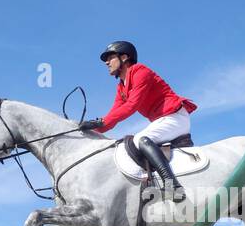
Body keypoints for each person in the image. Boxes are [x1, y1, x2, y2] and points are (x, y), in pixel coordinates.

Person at [79, 41, 197, 202]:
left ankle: (173, 186)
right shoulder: (121, 87)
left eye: (110, 58)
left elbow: (131, 106)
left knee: (140, 139)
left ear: (125, 57)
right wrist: (91, 130)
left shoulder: (140, 71)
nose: (106, 62)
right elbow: (114, 115)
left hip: (175, 116)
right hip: (163, 120)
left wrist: (101, 122)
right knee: (133, 141)